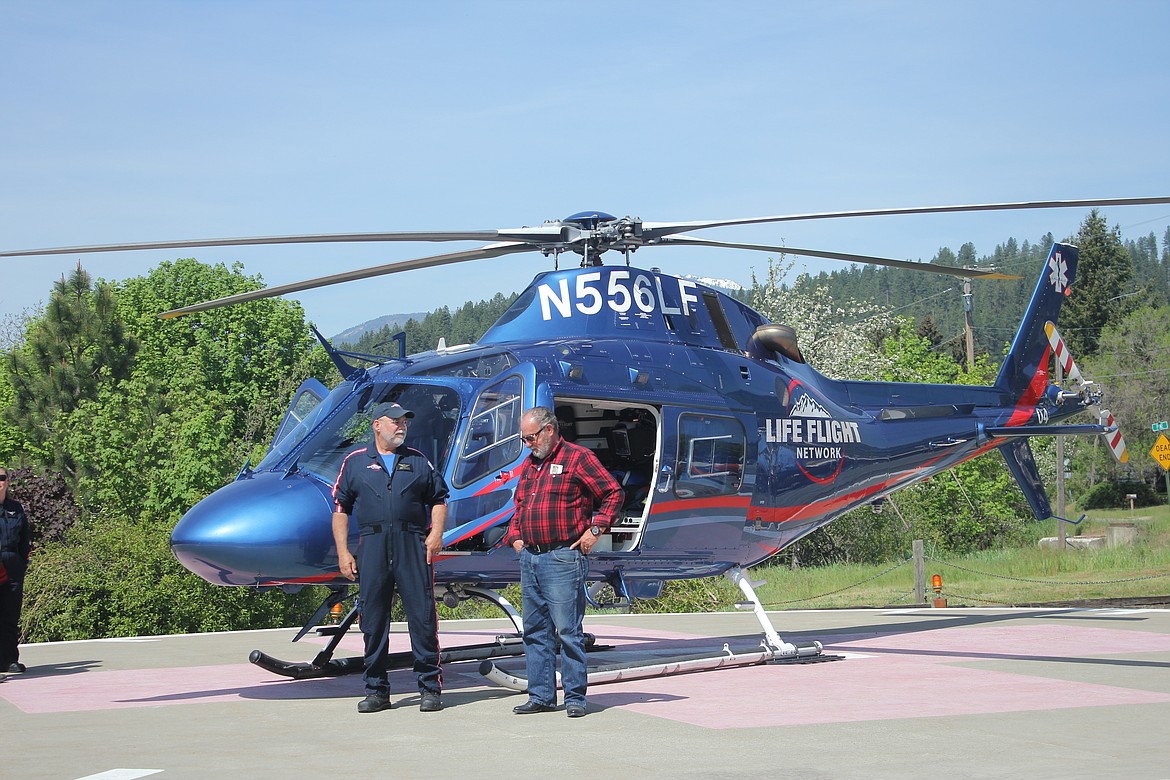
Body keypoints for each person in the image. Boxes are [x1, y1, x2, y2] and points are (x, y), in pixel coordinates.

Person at [504, 406, 622, 718]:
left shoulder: (577, 458)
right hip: (531, 556)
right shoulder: (530, 465)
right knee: (535, 631)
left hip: (562, 557)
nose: (527, 444)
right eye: (523, 439)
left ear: (549, 430)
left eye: (530, 438)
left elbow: (612, 493)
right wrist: (515, 536)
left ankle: (574, 698)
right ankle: (541, 696)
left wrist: (595, 530)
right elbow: (519, 505)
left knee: (568, 630)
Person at [332, 402, 449, 714]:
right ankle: (377, 691)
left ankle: (429, 688)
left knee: (422, 616)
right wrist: (344, 552)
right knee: (372, 619)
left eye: (404, 422)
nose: (401, 426)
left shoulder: (418, 461)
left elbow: (439, 499)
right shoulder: (355, 462)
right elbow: (340, 509)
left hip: (412, 542)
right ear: (377, 425)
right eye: (395, 421)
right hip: (372, 544)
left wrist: (436, 534)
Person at [0, 466, 32, 675]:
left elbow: (25, 538)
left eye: (1, 477)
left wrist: (21, 562)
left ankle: (9, 660)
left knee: (10, 615)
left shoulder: (15, 508)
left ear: (8, 481)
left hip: (12, 564)